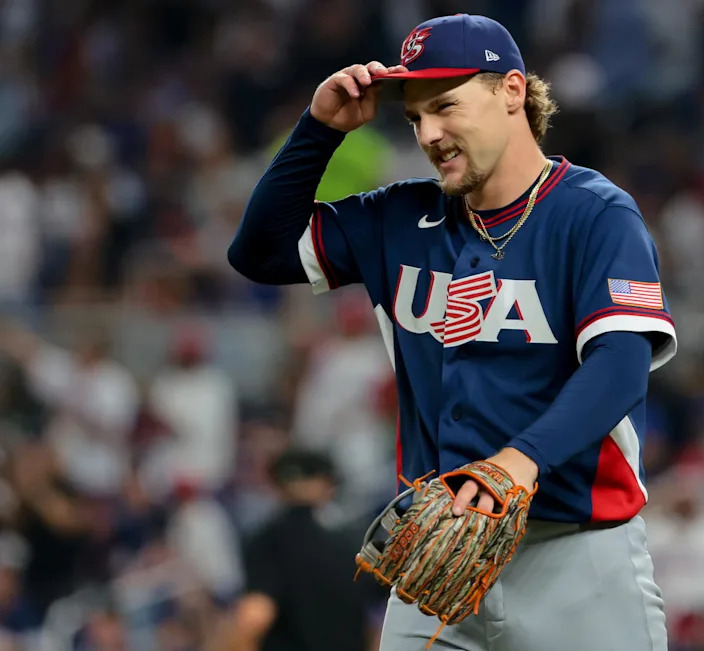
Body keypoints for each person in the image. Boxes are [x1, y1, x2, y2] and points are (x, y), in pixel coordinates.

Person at [228, 13, 678, 651]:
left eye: (445, 106)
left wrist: (518, 462)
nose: (429, 134)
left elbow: (620, 366)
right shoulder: (397, 217)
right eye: (415, 118)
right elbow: (259, 252)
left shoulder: (595, 213)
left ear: (512, 91)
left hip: (577, 559)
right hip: (436, 561)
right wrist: (319, 129)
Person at [216, 448, 379, 651]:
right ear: (328, 485)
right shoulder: (355, 541)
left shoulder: (268, 540)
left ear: (276, 486)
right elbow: (378, 621)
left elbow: (255, 617)